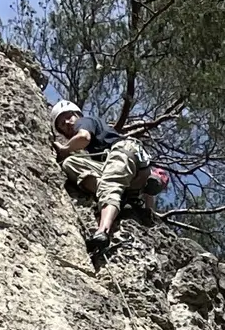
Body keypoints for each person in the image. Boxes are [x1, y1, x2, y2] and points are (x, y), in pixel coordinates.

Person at [50, 100, 150, 252]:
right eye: (63, 124)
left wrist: (64, 149)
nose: (68, 123)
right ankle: (119, 197)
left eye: (69, 117)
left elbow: (84, 138)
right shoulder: (94, 144)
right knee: (70, 164)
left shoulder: (85, 121)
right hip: (122, 165)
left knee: (110, 184)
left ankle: (102, 231)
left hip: (122, 153)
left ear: (77, 114)